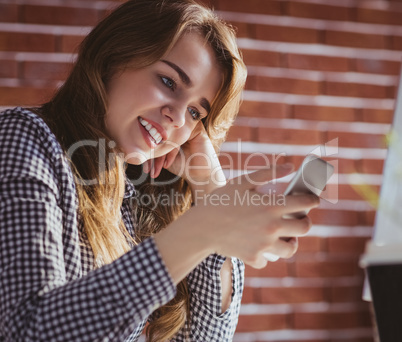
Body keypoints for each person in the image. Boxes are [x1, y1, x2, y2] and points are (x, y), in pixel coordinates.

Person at [0, 0, 319, 341]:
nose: (179, 117)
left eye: (197, 112)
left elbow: (203, 338)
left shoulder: (131, 194)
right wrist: (204, 228)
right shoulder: (22, 137)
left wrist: (209, 187)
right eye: (169, 81)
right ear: (114, 58)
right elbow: (27, 331)